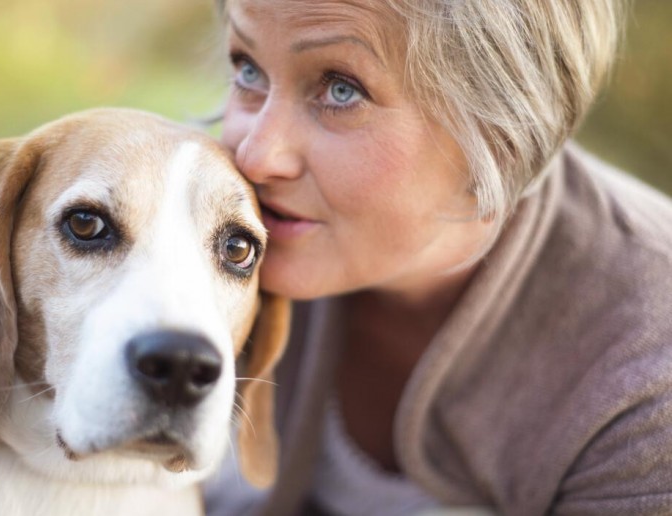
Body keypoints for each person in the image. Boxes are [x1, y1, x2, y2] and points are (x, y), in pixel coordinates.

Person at [202, 0, 672, 515]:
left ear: (501, 132)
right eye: (248, 69)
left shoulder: (649, 369)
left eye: (341, 89)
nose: (255, 154)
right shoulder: (199, 232)